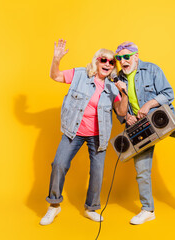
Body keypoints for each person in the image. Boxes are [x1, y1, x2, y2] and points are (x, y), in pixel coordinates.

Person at [114, 42, 175, 225]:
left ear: (136, 56)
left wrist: (148, 104)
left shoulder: (152, 70)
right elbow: (117, 106)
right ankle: (147, 210)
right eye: (119, 58)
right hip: (139, 127)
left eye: (126, 57)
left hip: (161, 118)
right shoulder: (117, 79)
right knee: (142, 171)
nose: (122, 61)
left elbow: (168, 93)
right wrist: (127, 117)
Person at [40, 39, 128, 225]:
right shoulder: (80, 75)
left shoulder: (112, 87)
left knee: (97, 172)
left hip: (98, 135)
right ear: (96, 61)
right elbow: (55, 76)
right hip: (74, 131)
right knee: (59, 164)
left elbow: (121, 112)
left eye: (112, 62)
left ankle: (91, 208)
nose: (107, 64)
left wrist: (124, 93)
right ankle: (54, 206)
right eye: (104, 60)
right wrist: (56, 59)